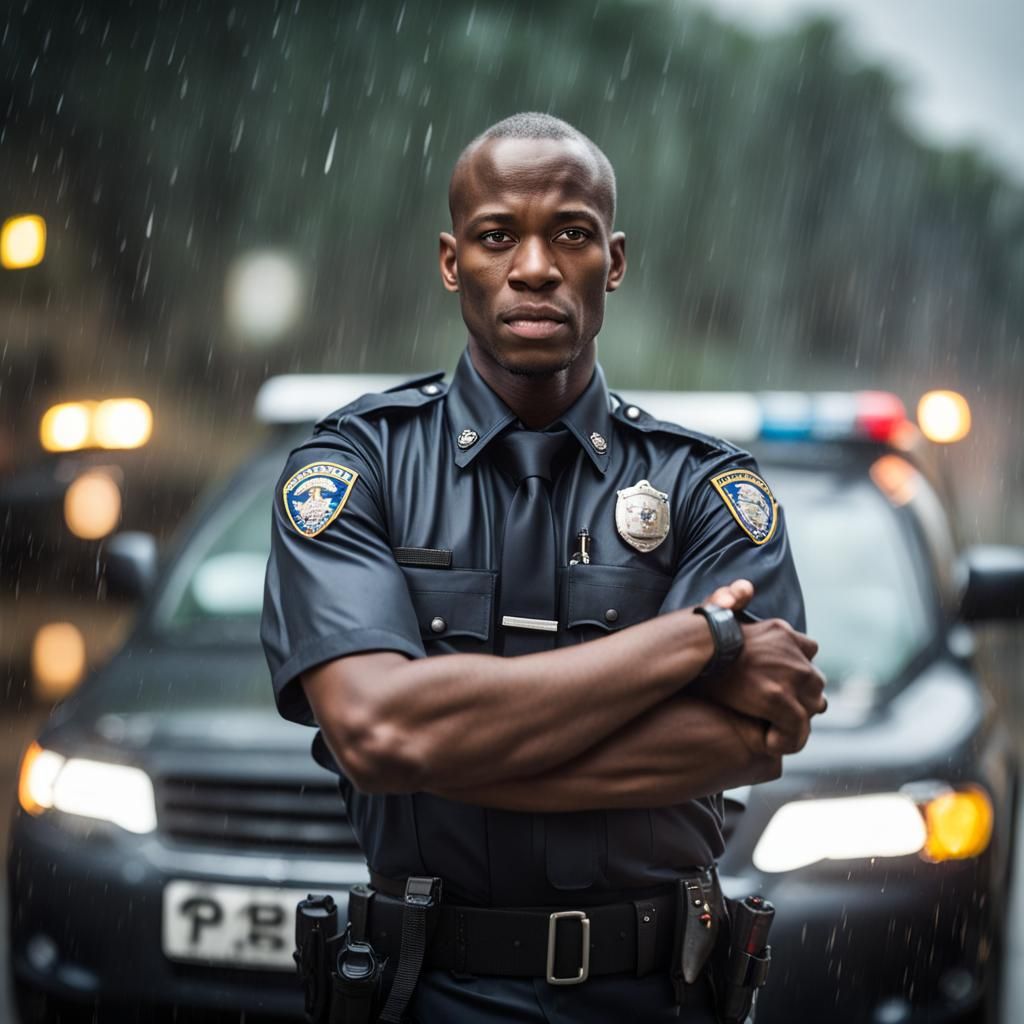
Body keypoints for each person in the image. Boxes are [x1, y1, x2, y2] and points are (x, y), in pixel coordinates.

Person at [261, 112, 826, 1023]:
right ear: (453, 262)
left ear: (616, 260)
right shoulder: (352, 468)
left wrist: (440, 752)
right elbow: (375, 732)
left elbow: (752, 739)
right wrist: (698, 642)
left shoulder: (708, 488)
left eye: (571, 232)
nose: (534, 265)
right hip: (423, 990)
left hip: (656, 992)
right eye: (497, 236)